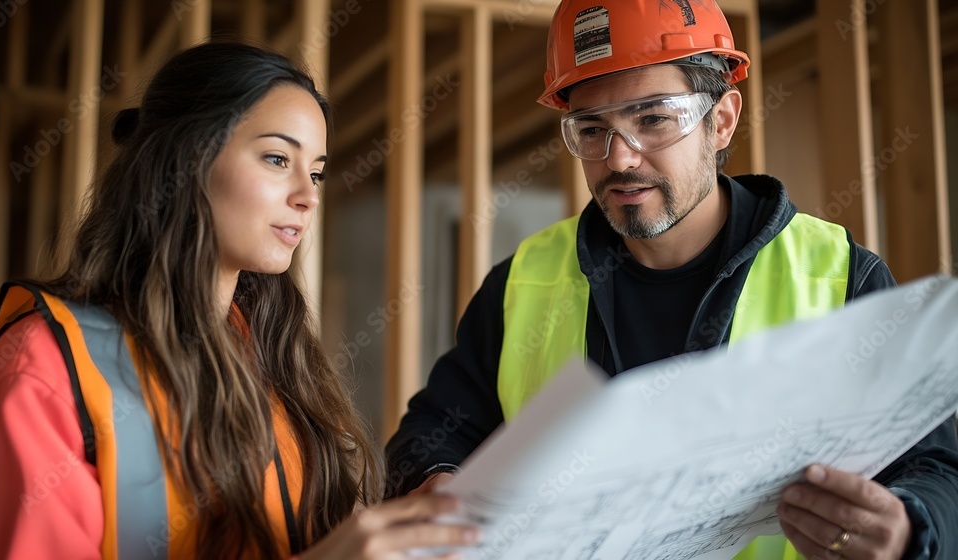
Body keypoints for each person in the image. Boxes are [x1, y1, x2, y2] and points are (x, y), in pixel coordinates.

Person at [386, 1, 958, 559]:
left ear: (723, 119)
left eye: (653, 119)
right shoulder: (522, 283)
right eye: (592, 130)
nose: (620, 160)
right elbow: (436, 429)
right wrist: (437, 478)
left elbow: (937, 466)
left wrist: (910, 528)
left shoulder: (840, 278)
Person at [0, 42, 478, 560]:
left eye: (316, 171)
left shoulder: (274, 360)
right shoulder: (37, 372)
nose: (309, 195)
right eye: (278, 158)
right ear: (185, 161)